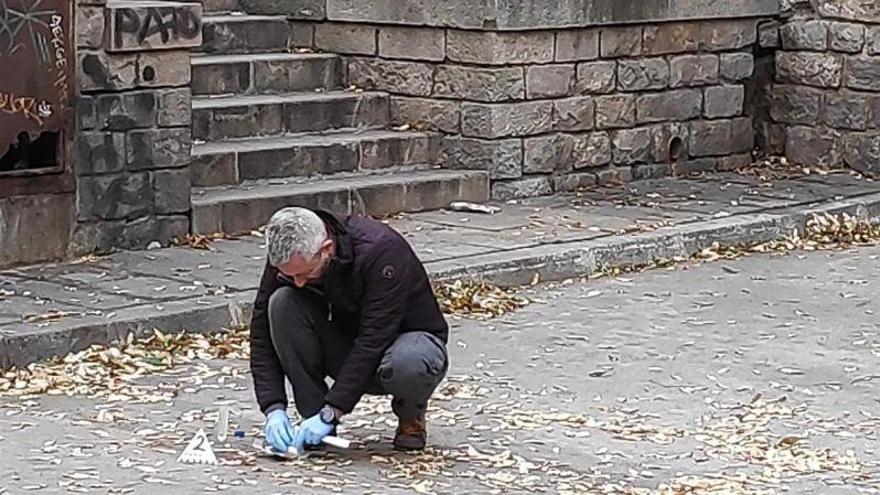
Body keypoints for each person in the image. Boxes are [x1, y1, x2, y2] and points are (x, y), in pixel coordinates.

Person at [250, 207, 450, 454]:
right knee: (281, 303)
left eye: (305, 274)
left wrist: (332, 411)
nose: (299, 283)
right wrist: (273, 407)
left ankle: (411, 415)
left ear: (327, 249)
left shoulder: (382, 251)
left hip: (403, 345)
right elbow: (261, 332)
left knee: (410, 362)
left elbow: (374, 338)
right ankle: (312, 420)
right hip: (345, 341)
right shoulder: (288, 260)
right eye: (290, 276)